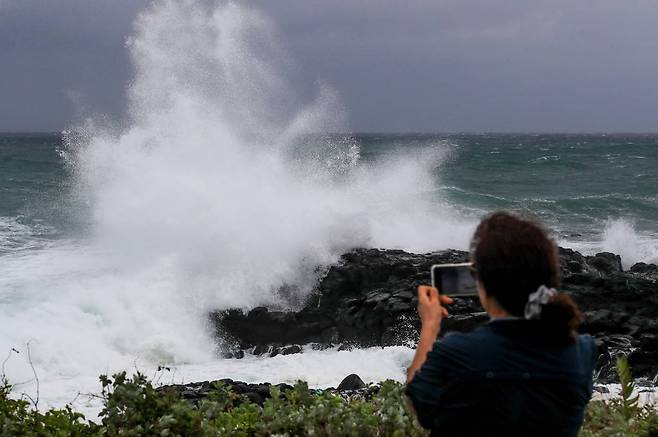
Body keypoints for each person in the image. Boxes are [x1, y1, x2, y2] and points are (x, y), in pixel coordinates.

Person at [405, 212, 596, 436]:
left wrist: (430, 326)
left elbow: (417, 403)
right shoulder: (581, 352)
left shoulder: (456, 353)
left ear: (481, 281)